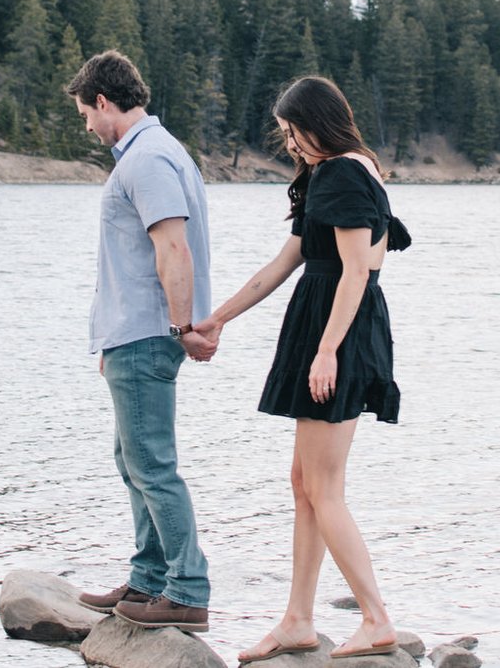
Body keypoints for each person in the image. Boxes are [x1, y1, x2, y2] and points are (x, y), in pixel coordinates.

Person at [195, 75, 411, 666]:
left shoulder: (342, 171)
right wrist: (220, 318)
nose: (289, 143)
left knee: (322, 486)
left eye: (292, 131)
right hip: (332, 323)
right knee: (305, 483)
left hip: (336, 329)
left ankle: (375, 618)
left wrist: (326, 350)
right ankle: (298, 620)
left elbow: (355, 270)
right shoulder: (340, 169)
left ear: (317, 122)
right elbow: (287, 261)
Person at [68, 49, 216, 635]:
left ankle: (186, 589)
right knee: (133, 461)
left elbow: (171, 248)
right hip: (131, 335)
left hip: (146, 334)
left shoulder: (147, 158)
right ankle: (149, 578)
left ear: (104, 102)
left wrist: (180, 329)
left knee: (152, 466)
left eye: (85, 113)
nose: (86, 125)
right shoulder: (154, 151)